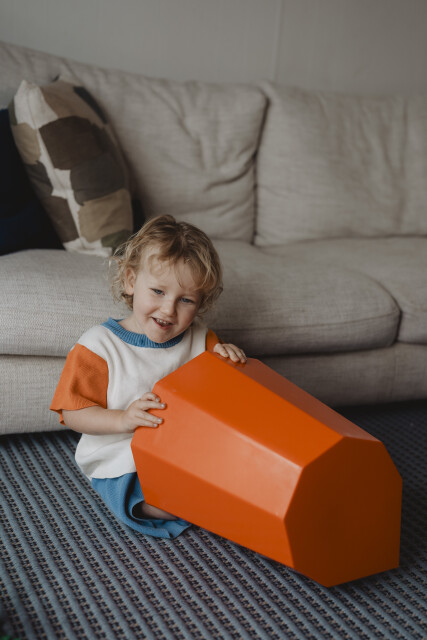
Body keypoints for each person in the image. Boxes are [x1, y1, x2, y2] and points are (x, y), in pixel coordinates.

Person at [50, 215, 246, 538]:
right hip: (123, 453)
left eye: (186, 300)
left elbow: (228, 396)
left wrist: (229, 360)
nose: (168, 310)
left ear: (200, 304)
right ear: (130, 281)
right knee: (166, 502)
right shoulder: (100, 346)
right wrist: (123, 419)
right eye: (157, 291)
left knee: (236, 469)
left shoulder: (200, 339)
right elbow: (73, 412)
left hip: (183, 448)